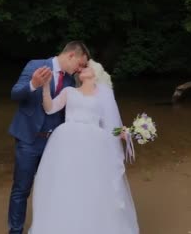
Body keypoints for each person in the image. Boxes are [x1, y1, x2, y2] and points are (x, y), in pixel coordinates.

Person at [28, 59, 140, 234]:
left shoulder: (104, 97)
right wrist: (45, 87)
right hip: (66, 141)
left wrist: (123, 132)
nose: (82, 69)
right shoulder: (69, 91)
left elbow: (110, 125)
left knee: (91, 186)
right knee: (66, 183)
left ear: (95, 73)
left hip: (94, 145)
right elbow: (50, 109)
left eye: (87, 67)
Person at [7, 41, 90, 234]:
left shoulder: (72, 80)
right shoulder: (35, 65)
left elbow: (78, 110)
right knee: (21, 189)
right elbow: (15, 94)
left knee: (52, 189)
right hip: (29, 139)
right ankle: (15, 231)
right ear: (71, 55)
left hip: (55, 144)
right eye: (80, 64)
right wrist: (33, 84)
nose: (80, 69)